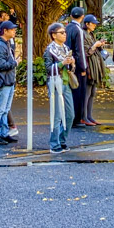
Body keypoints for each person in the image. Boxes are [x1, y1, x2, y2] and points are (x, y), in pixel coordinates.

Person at [43, 22, 73, 152]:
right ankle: (54, 144)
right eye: (62, 32)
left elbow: (70, 68)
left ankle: (62, 139)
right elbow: (48, 69)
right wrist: (62, 63)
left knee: (70, 115)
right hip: (55, 84)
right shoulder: (50, 50)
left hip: (66, 83)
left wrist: (71, 63)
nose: (65, 34)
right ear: (54, 35)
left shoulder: (66, 48)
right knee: (56, 115)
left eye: (65, 32)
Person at [0, 21, 18, 145]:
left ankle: (3, 133)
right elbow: (1, 65)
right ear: (5, 31)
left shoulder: (6, 43)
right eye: (12, 29)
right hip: (3, 81)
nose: (14, 31)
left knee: (5, 109)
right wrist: (15, 63)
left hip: (8, 80)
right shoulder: (1, 46)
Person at [80, 15, 106, 127]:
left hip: (94, 66)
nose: (95, 25)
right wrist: (95, 45)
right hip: (89, 66)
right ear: (87, 24)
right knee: (87, 92)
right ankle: (84, 117)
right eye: (93, 23)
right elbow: (86, 52)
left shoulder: (90, 34)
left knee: (92, 93)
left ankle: (89, 116)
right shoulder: (83, 34)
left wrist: (99, 45)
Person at [65, 7, 88, 125]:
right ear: (82, 16)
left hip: (67, 62)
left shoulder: (66, 28)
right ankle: (77, 118)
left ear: (71, 16)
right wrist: (83, 67)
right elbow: (80, 51)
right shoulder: (78, 30)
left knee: (70, 92)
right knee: (79, 92)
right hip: (77, 65)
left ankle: (70, 116)